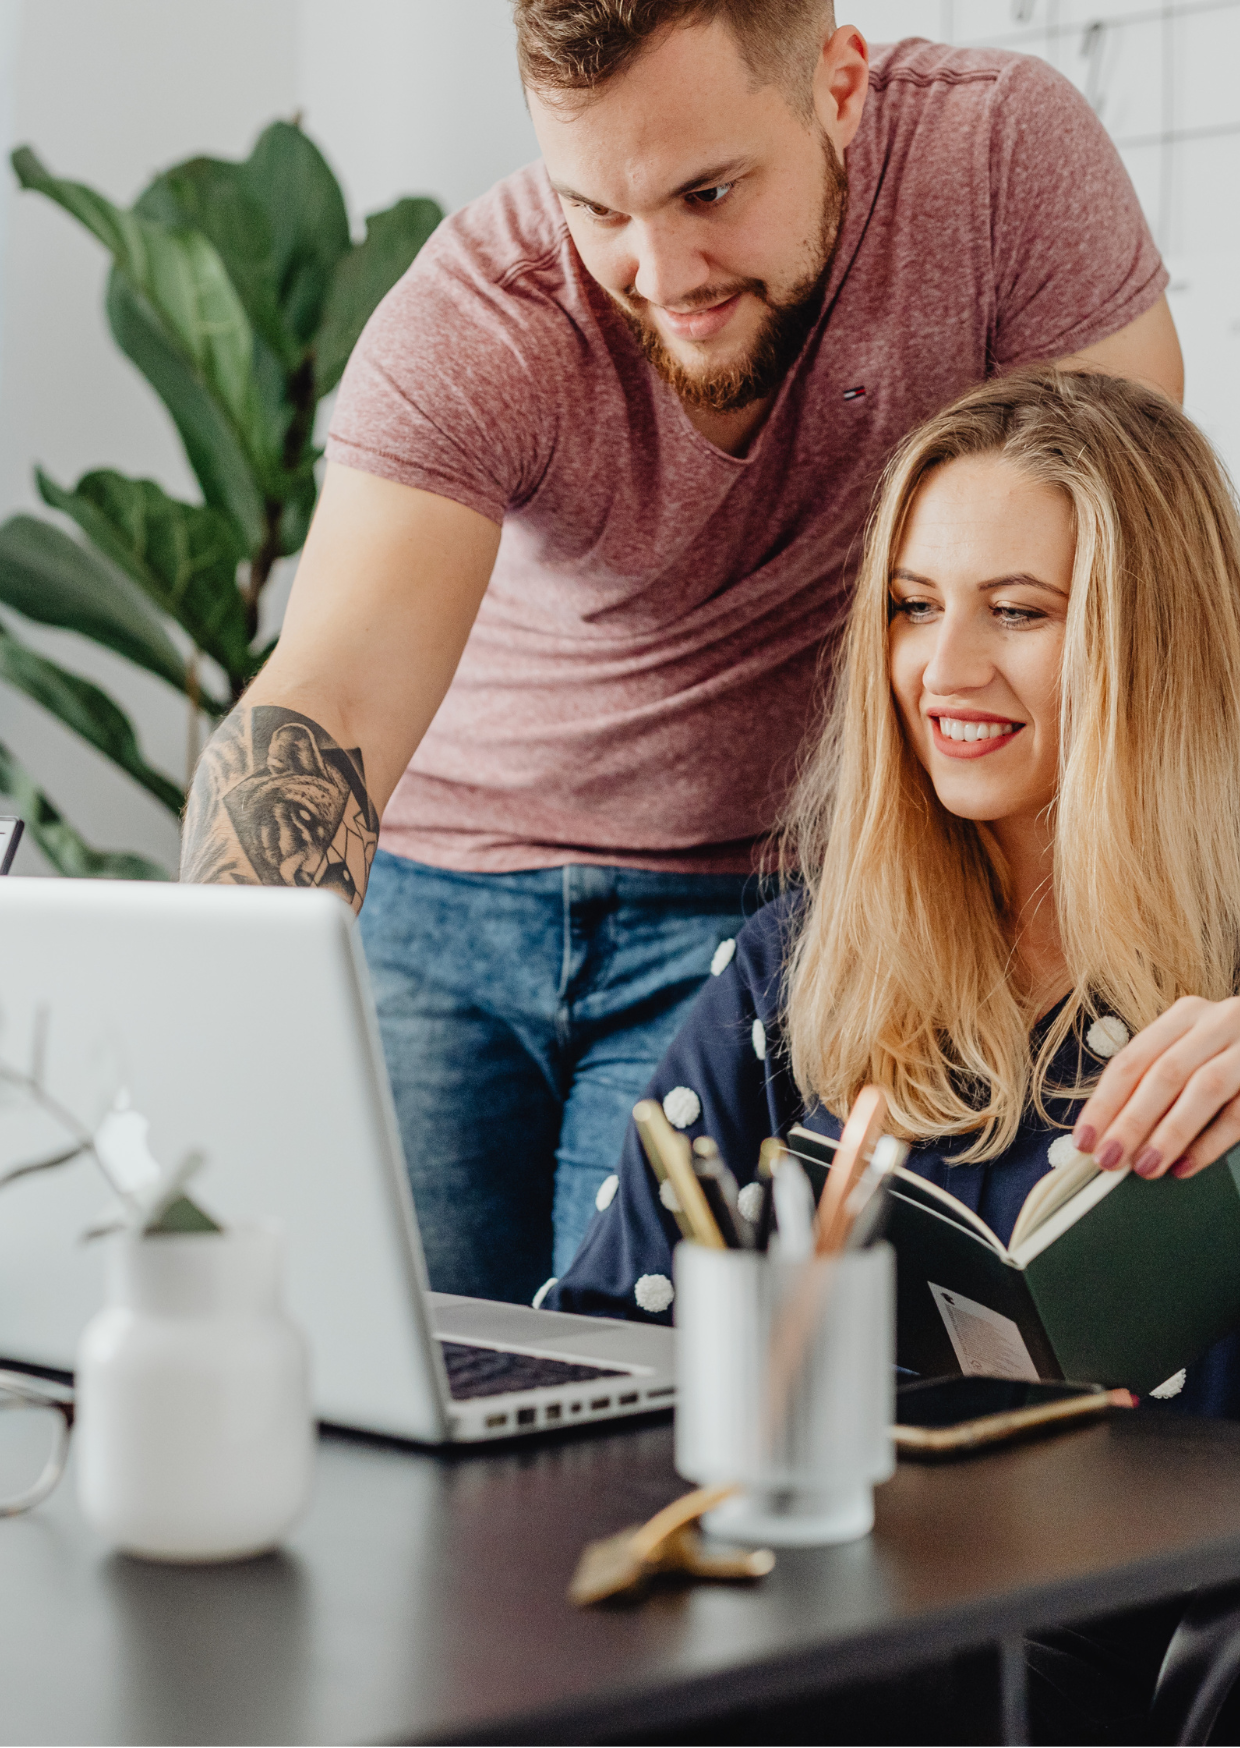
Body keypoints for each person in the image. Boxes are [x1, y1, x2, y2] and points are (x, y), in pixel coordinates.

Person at [179, 0, 1183, 1307]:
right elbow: (324, 704)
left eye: (710, 190)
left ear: (838, 79)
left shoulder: (995, 164)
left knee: (643, 1401)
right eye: (598, 208)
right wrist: (210, 1024)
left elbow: (1153, 591)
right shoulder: (488, 312)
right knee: (410, 1379)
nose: (659, 271)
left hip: (739, 904)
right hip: (442, 898)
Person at [548, 365, 1240, 1740]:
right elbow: (596, 1347)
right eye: (914, 608)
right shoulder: (804, 971)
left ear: (1151, 639)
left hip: (1137, 1658)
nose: (946, 671)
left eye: (1021, 613)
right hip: (829, 1632)